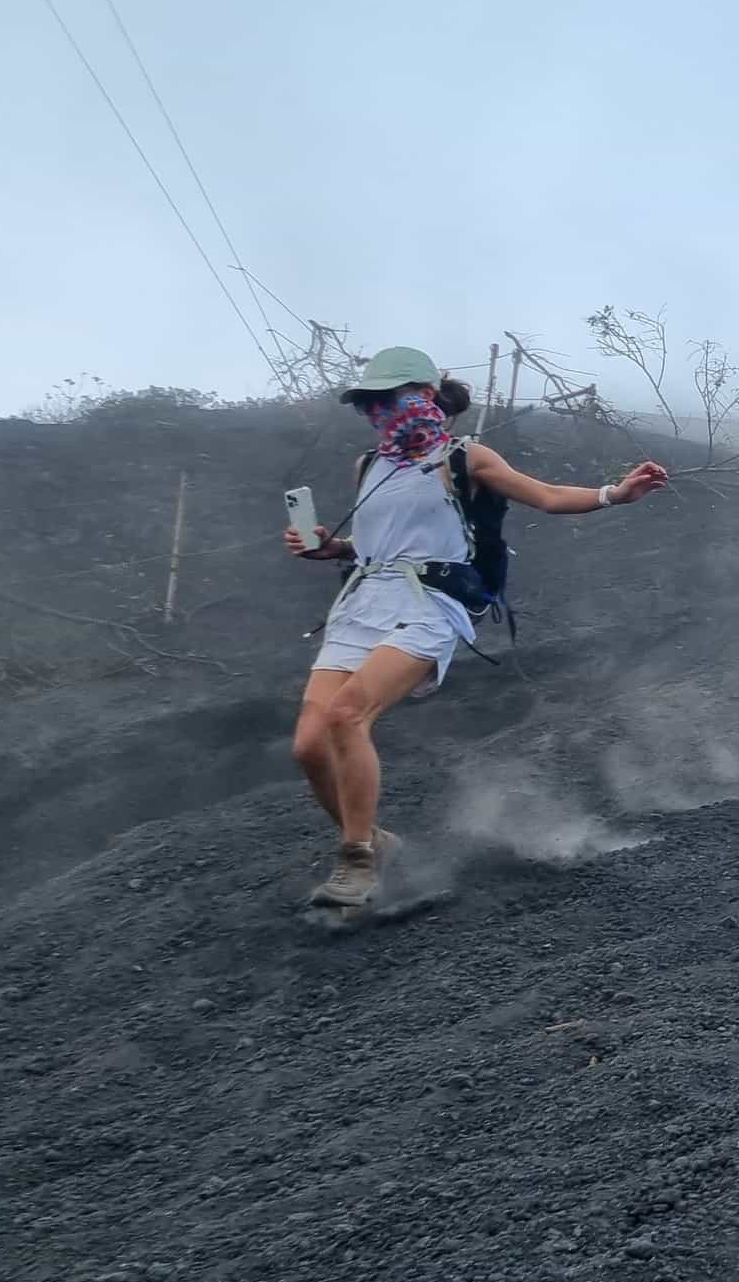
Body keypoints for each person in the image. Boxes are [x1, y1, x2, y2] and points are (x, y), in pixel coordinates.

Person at [283, 346, 669, 910]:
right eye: (372, 402)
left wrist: (616, 493)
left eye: (392, 398)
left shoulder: (467, 457)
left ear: (427, 397)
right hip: (362, 603)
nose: (382, 411)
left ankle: (356, 858)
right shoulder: (368, 466)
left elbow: (548, 496)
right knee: (309, 746)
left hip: (429, 603)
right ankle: (378, 839)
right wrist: (330, 548)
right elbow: (375, 546)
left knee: (348, 715)